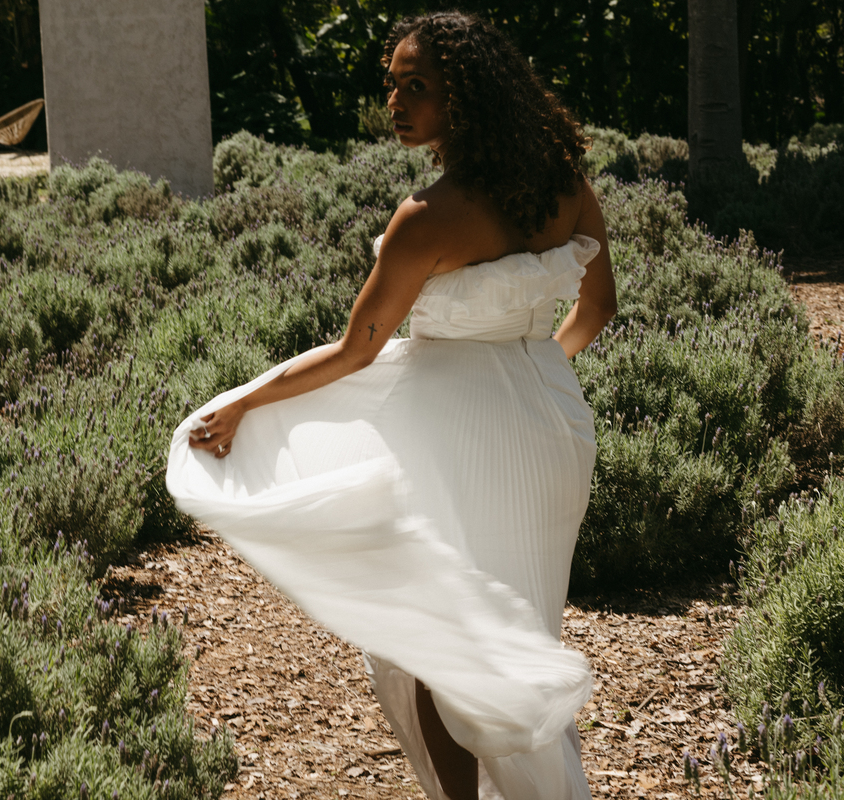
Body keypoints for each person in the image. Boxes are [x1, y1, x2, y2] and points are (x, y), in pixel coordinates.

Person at [167, 12, 616, 800]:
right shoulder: (566, 185)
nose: (396, 103)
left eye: (418, 87)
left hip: (458, 435)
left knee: (437, 641)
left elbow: (354, 353)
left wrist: (244, 404)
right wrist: (532, 371)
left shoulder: (426, 218)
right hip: (552, 425)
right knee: (516, 626)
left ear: (465, 97)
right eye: (392, 84)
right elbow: (598, 309)